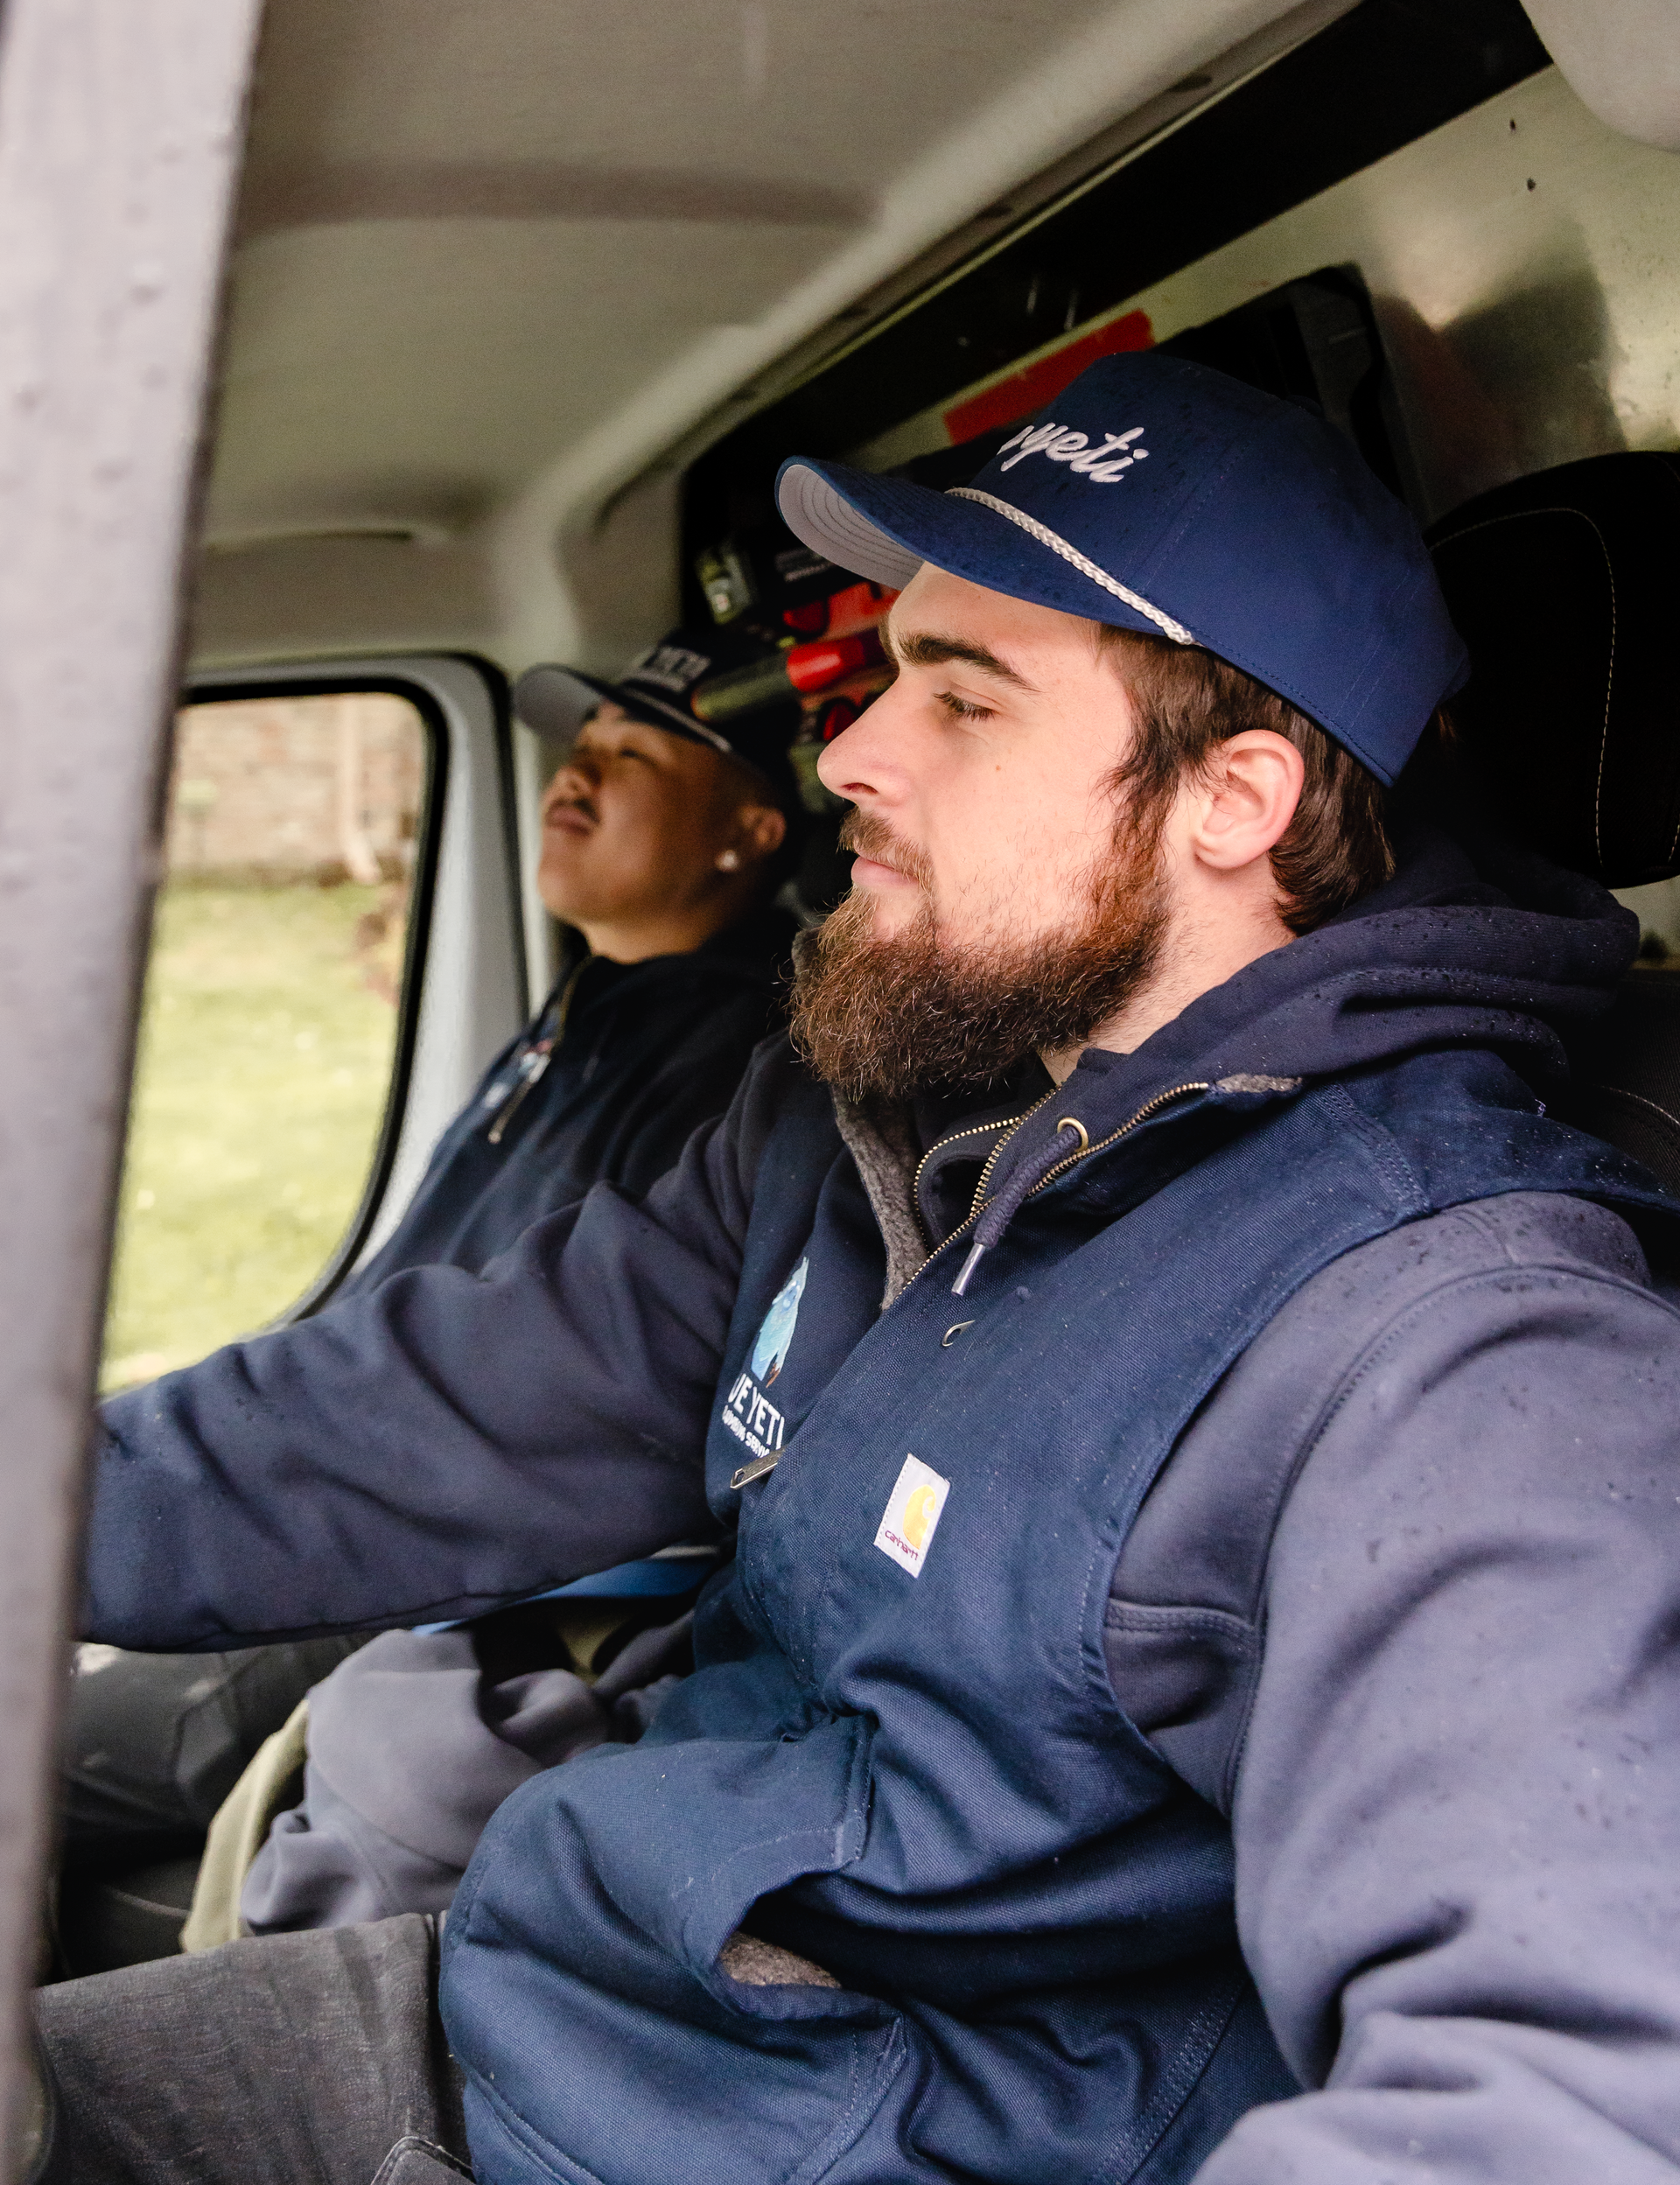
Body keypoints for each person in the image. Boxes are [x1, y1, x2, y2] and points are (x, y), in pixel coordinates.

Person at [39, 350, 1680, 2185]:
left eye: (963, 699)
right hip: (541, 2004)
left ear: (1233, 798)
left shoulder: (1457, 1334)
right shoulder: (873, 1124)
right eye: (892, 672)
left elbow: (1570, 2092)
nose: (849, 755)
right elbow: (405, 1416)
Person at [58, 624, 801, 1927]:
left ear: (751, 831)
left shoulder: (731, 1061)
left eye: (635, 756)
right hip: (347, 1493)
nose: (576, 775)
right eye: (582, 745)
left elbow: (551, 1408)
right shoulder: (587, 1009)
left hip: (417, 1564)